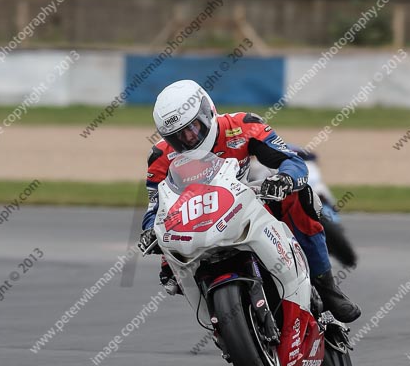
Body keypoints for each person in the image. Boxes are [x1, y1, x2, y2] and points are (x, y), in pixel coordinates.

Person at [138, 80, 360, 323]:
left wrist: (284, 179)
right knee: (167, 270)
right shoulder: (160, 157)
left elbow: (292, 161)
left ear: (208, 112)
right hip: (194, 221)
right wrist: (149, 230)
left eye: (194, 127)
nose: (189, 138)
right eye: (178, 135)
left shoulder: (242, 126)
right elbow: (156, 208)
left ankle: (327, 288)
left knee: (300, 196)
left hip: (247, 204)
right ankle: (219, 321)